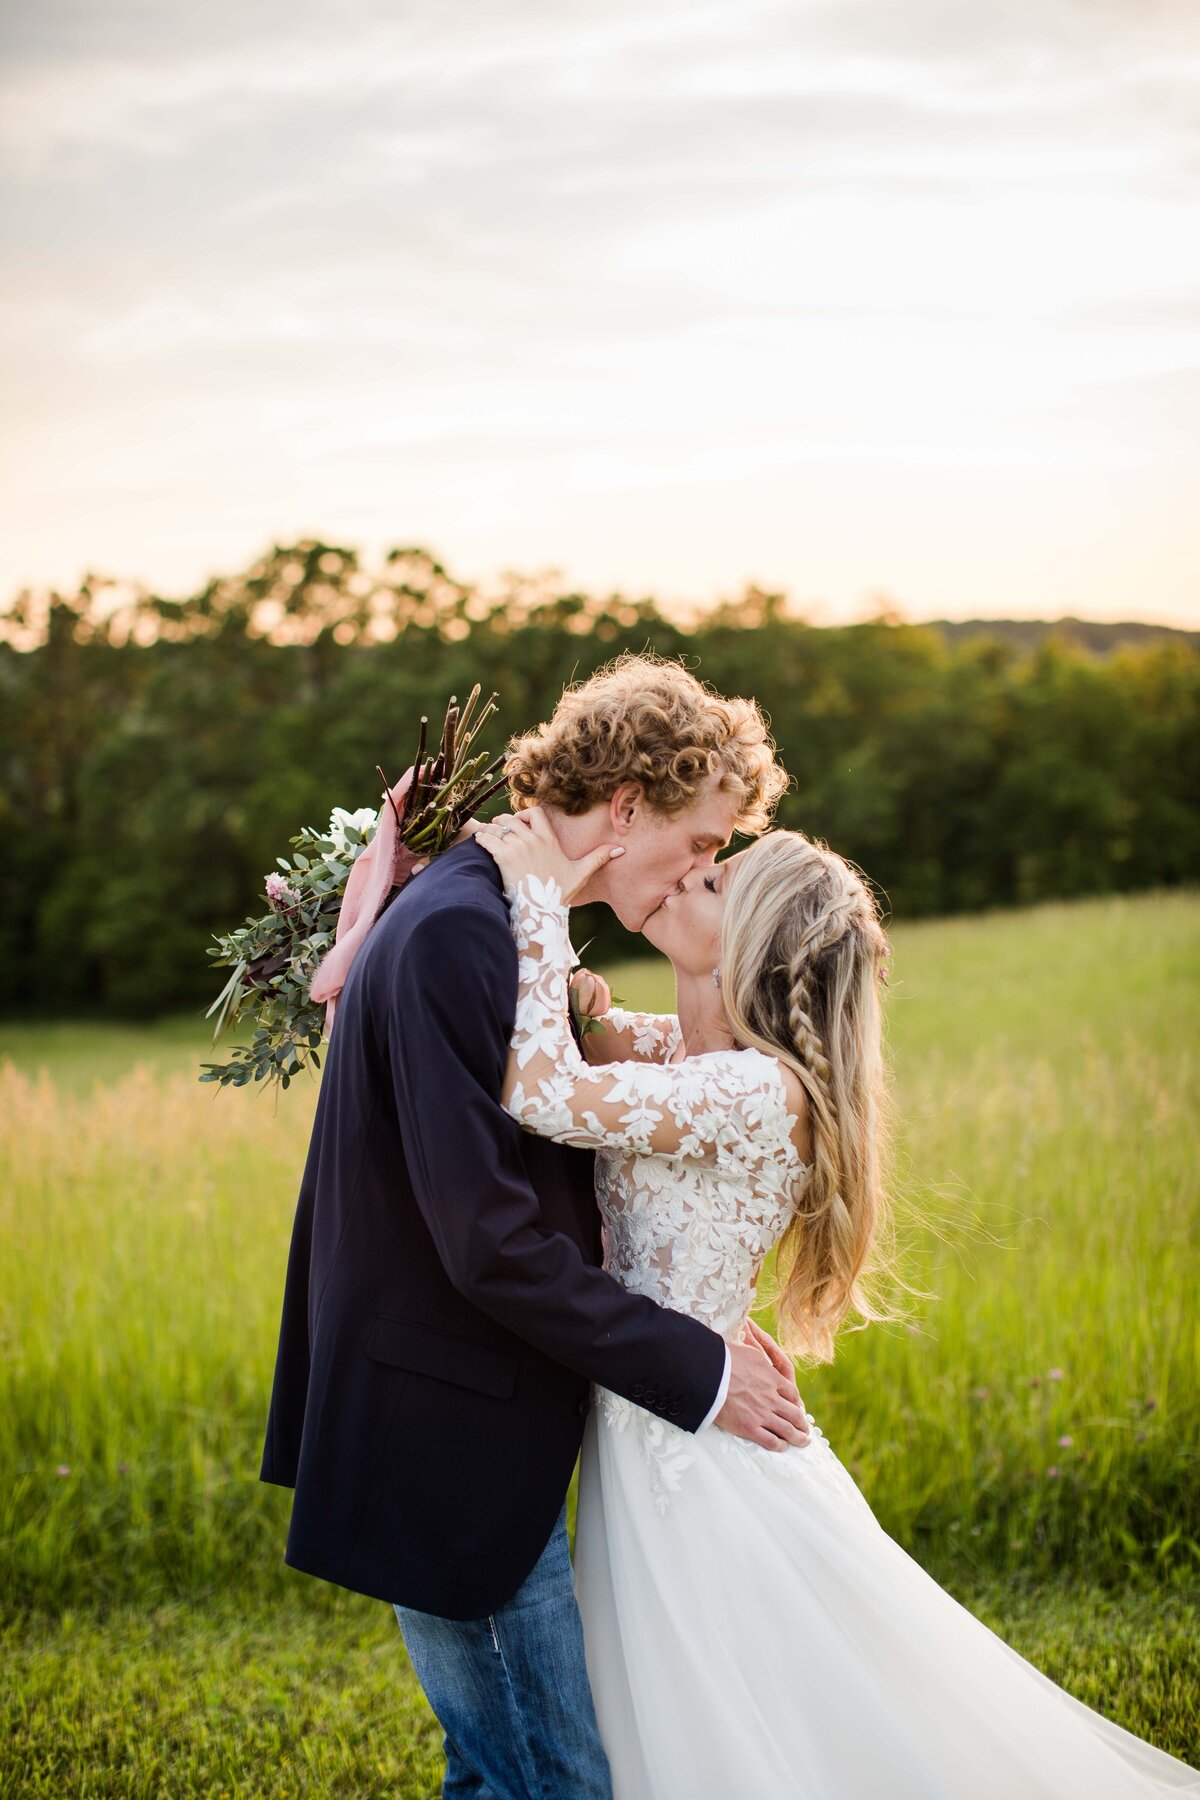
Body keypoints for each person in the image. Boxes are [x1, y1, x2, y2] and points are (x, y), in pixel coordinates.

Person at [473, 806, 1200, 1800]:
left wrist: (535, 911)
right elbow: (601, 1077)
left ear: (756, 948)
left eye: (720, 883)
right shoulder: (682, 1057)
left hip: (693, 1454)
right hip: (663, 1410)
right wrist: (590, 1015)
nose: (694, 874)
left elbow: (544, 1096)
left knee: (745, 1714)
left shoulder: (759, 1092)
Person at [260, 655, 811, 1800]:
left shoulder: (497, 918)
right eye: (704, 843)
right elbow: (489, 1242)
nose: (707, 870)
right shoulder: (467, 928)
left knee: (500, 1772)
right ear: (625, 807)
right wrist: (694, 1365)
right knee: (554, 1779)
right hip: (446, 1413)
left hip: (467, 1405)